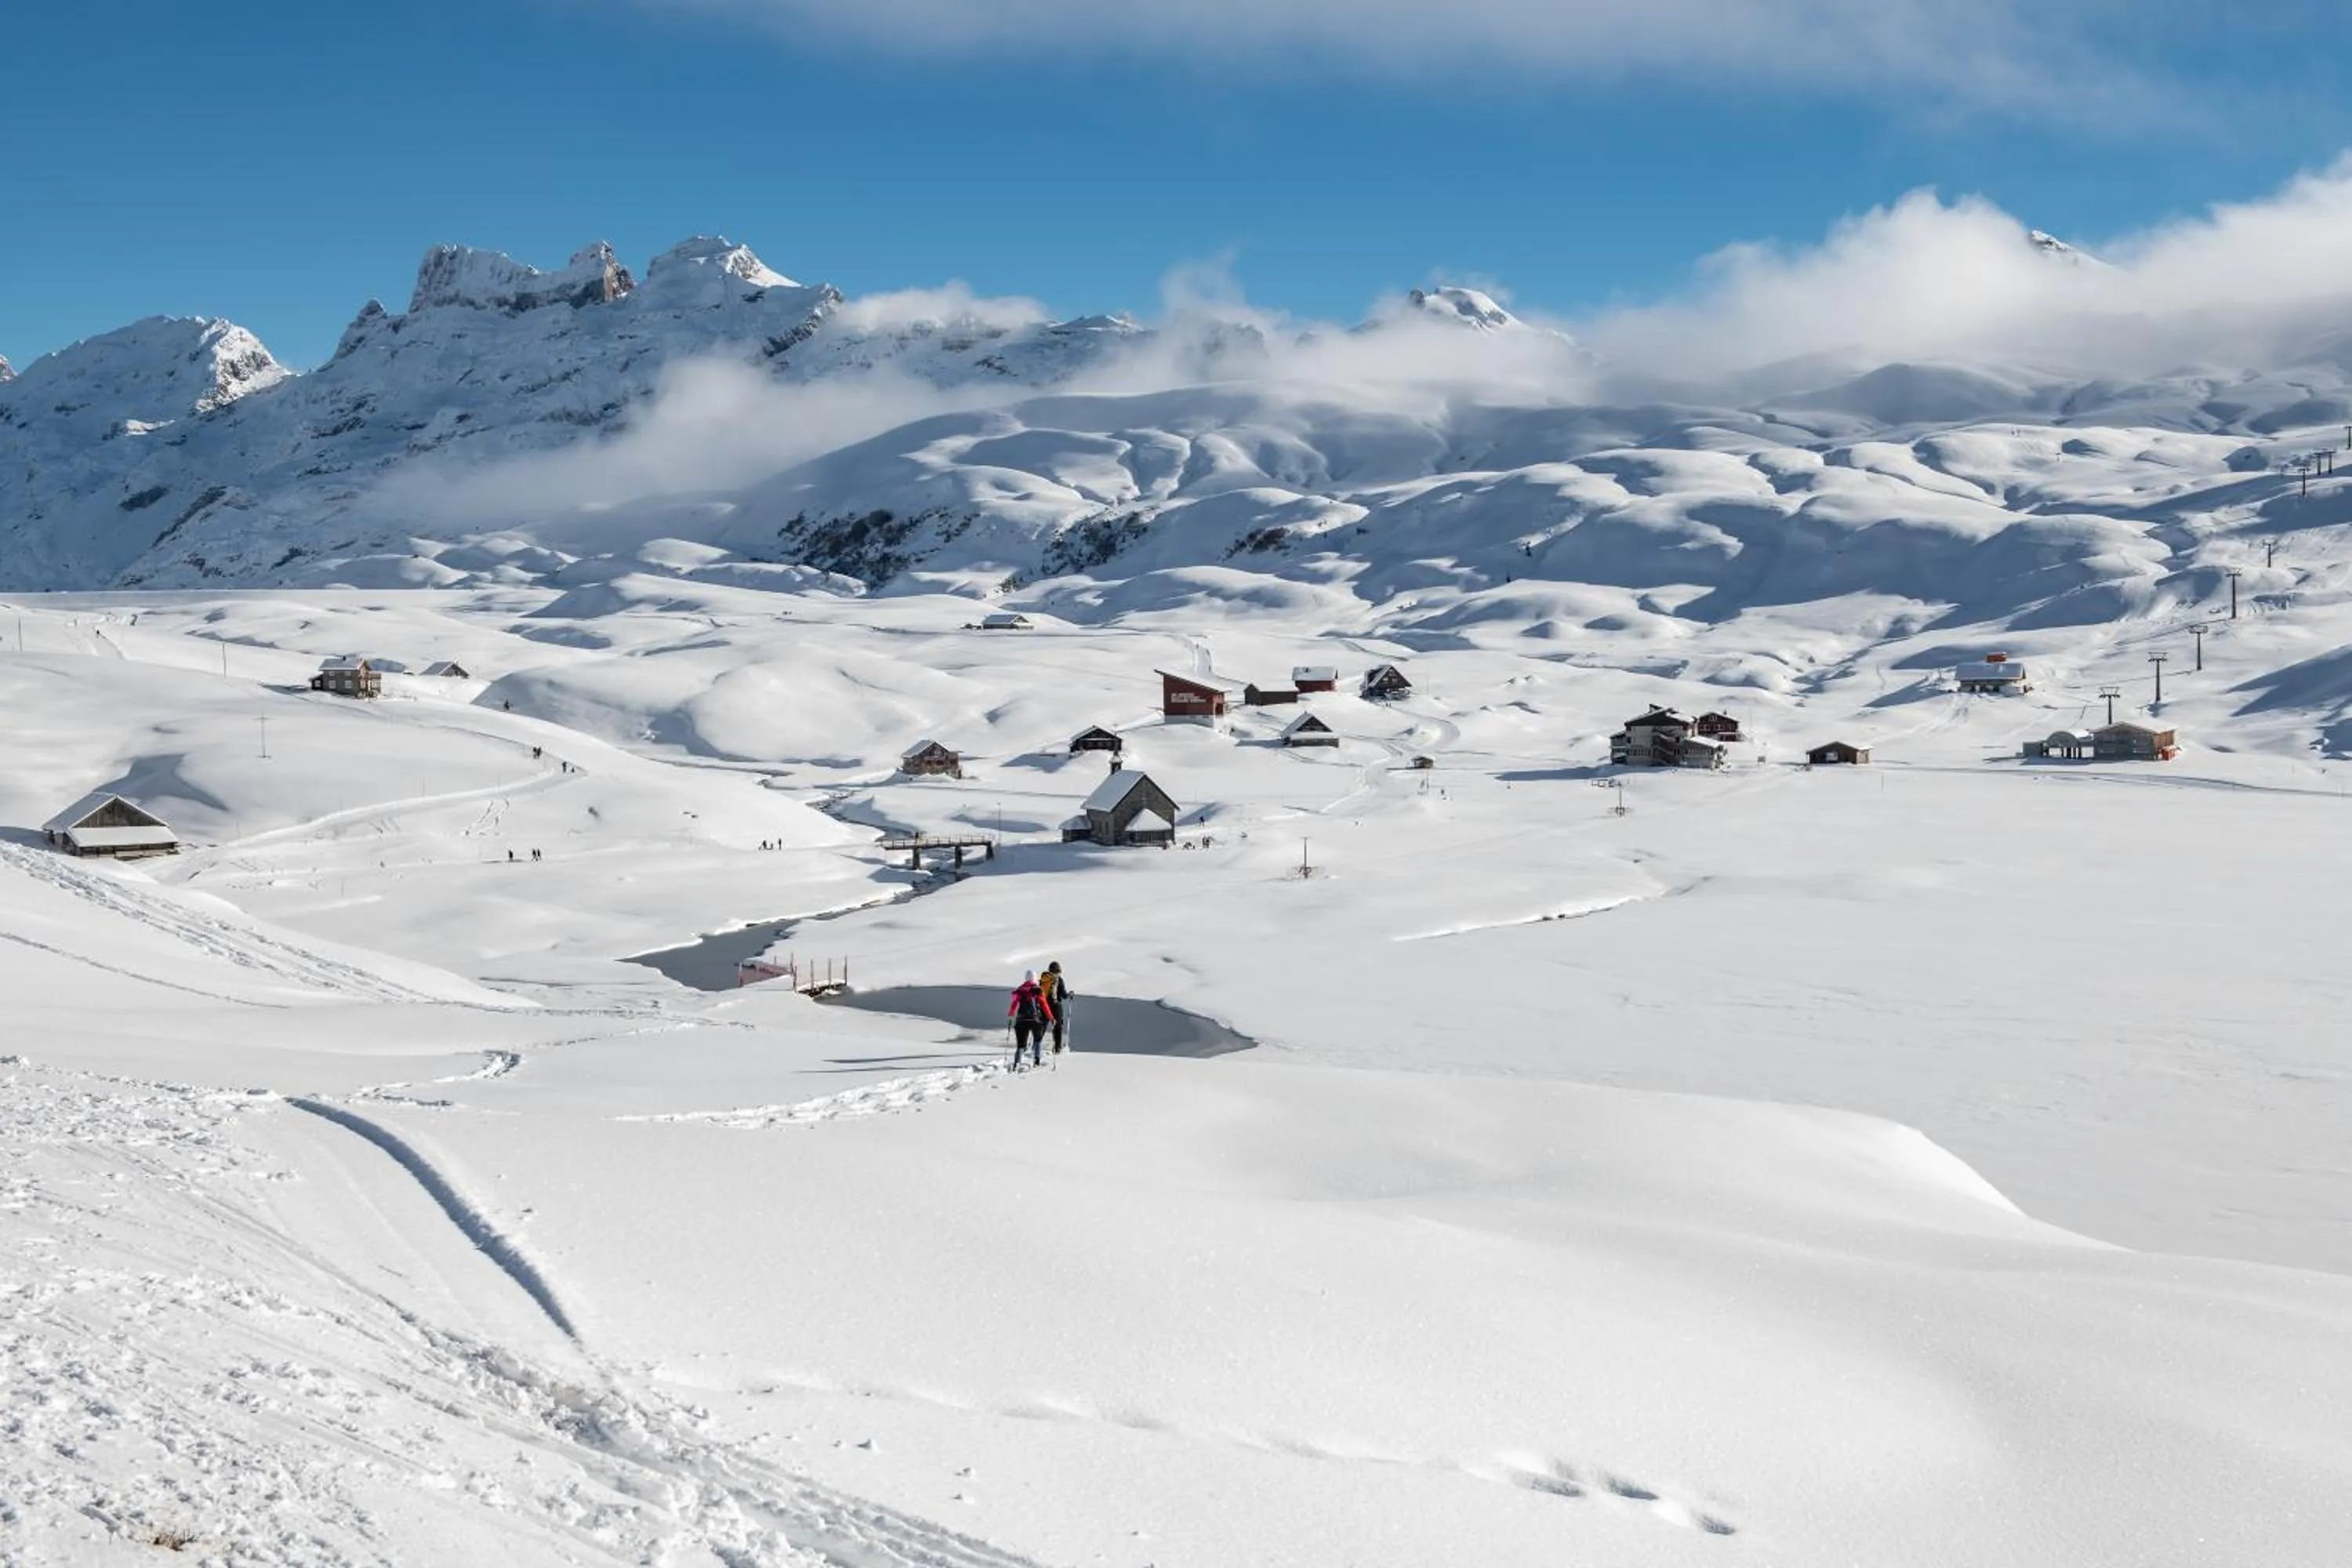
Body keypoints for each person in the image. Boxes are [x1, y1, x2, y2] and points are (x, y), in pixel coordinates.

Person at [1007, 971, 1054, 1069]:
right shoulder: (1038, 990)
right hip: (1035, 1020)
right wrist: (1051, 1018)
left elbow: (1014, 1004)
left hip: (1021, 1020)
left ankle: (1016, 1064)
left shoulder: (1020, 990)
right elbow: (1044, 1005)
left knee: (1021, 1045)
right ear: (1035, 978)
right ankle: (1036, 1061)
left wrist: (1011, 1016)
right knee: (1038, 1040)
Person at [1040, 961, 1073, 1054]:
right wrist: (1069, 994)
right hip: (1056, 1005)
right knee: (1058, 1026)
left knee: (1043, 1025)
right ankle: (1057, 1048)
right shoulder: (1059, 980)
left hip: (1045, 1005)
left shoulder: (1044, 979)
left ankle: (1036, 1045)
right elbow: (1063, 995)